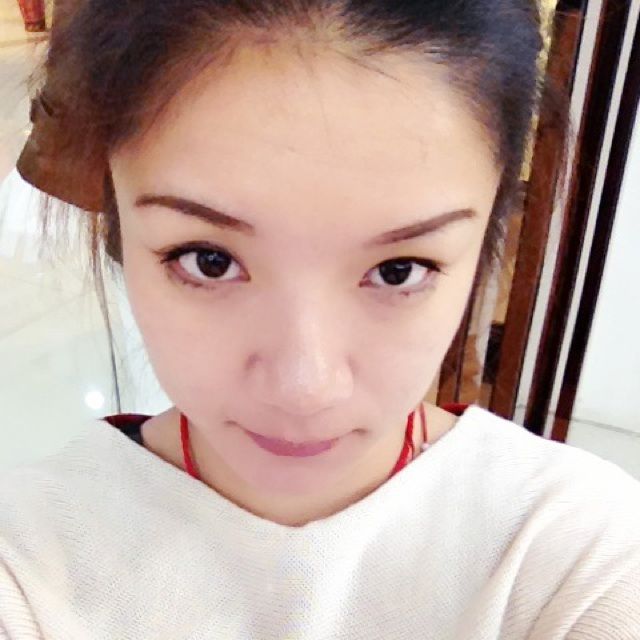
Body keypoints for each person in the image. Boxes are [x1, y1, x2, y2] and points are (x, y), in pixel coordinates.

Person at [2, 1, 640, 638]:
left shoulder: (575, 554)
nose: (304, 388)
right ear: (118, 219)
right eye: (209, 261)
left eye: (399, 270)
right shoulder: (29, 558)